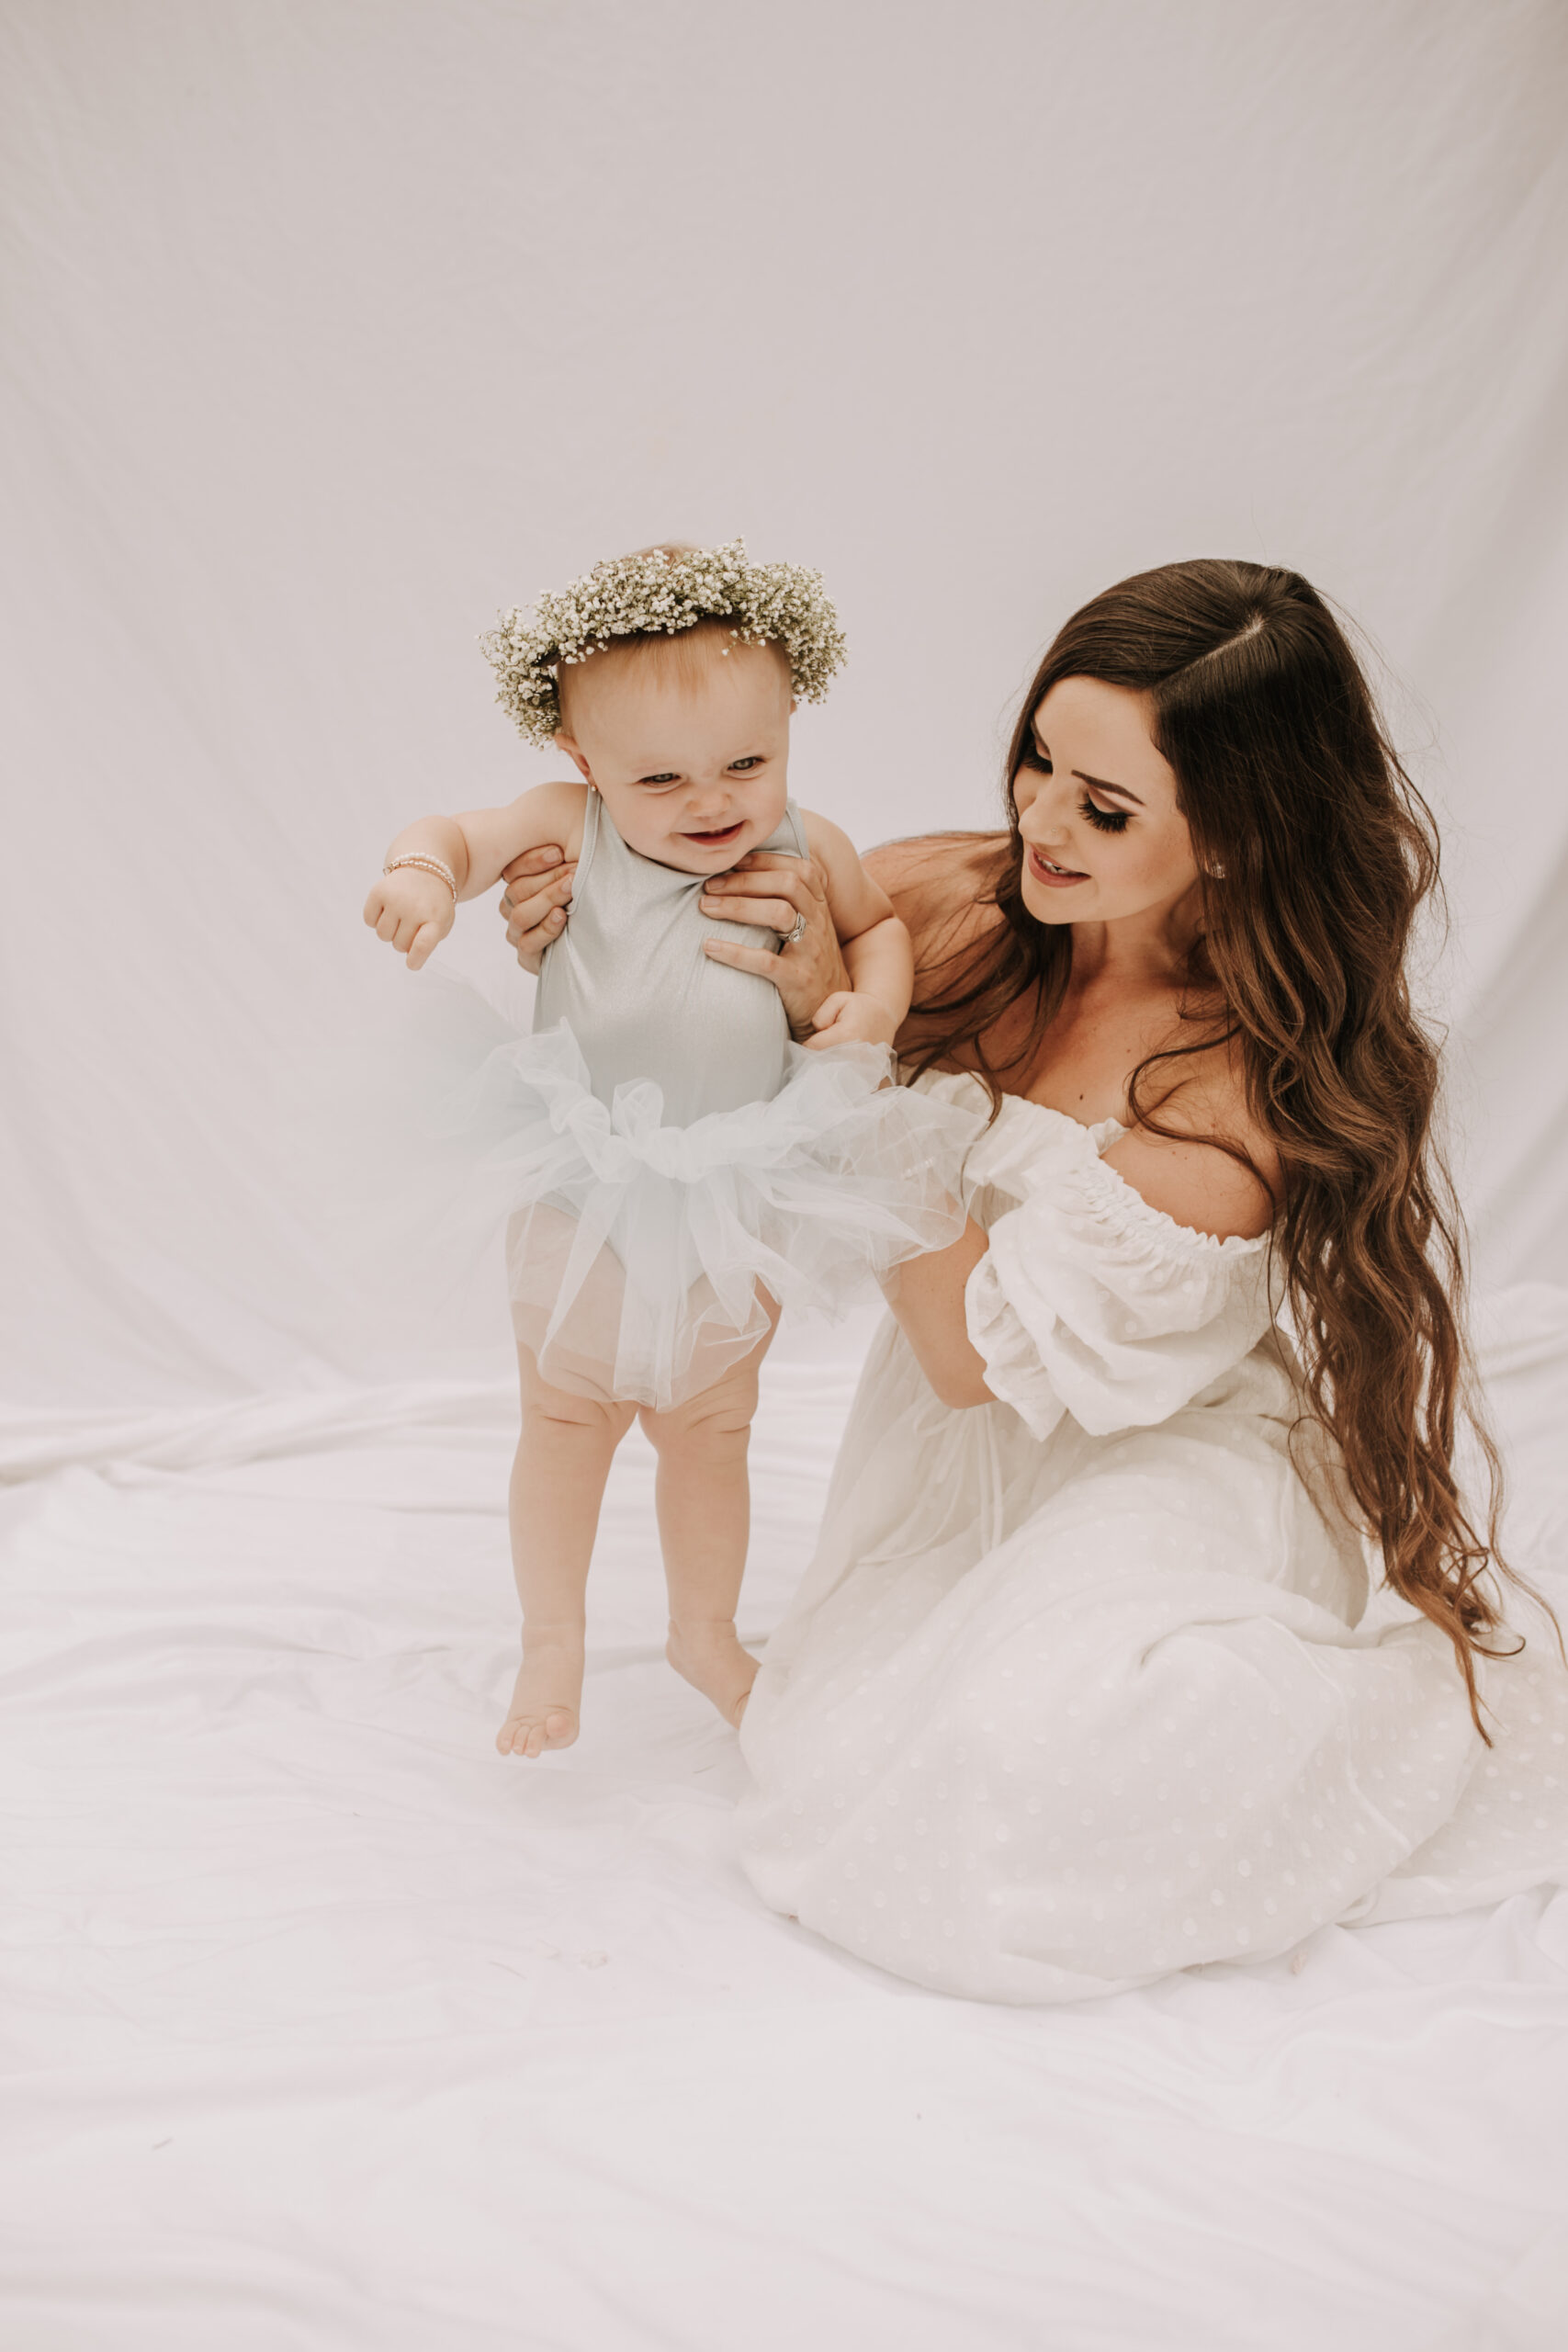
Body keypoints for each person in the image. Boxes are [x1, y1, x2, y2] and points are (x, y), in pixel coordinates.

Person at [503, 556, 1568, 2002]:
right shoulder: (962, 901)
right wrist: (577, 912)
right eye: (1039, 762)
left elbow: (967, 1354)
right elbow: (669, 947)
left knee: (1061, 1752)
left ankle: (1407, 1721)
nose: (1038, 821)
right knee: (885, 1760)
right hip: (957, 1480)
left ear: (1240, 839)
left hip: (1162, 1459)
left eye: (1104, 807)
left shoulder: (1227, 1088)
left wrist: (849, 1058)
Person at [363, 542, 976, 1764]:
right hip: (580, 1181)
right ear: (583, 765)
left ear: (792, 721)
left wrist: (875, 1004)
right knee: (564, 1417)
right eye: (662, 778)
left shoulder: (811, 844)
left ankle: (705, 1631)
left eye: (748, 761)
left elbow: (880, 925)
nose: (714, 801)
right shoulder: (565, 827)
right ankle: (552, 1637)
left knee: (714, 1427)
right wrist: (422, 875)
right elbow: (454, 831)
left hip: (740, 1181)